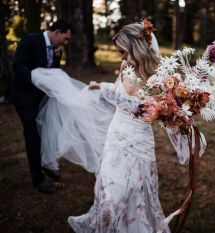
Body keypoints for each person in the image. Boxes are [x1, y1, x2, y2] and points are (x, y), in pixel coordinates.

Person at [66, 21, 175, 233]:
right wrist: (101, 86)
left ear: (136, 46)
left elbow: (169, 112)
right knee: (110, 193)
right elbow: (119, 95)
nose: (122, 57)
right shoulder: (125, 68)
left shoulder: (159, 77)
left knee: (138, 193)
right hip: (116, 138)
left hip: (140, 142)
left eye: (123, 52)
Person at [10, 19, 72, 193]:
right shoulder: (30, 40)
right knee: (33, 136)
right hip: (25, 97)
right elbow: (18, 65)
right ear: (57, 32)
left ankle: (47, 163)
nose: (65, 43)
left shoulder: (56, 49)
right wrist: (37, 81)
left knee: (49, 130)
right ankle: (38, 180)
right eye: (65, 38)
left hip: (42, 98)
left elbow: (52, 71)